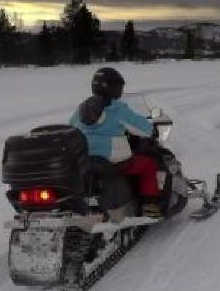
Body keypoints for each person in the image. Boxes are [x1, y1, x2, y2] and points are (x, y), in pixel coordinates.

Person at [69, 67, 163, 217]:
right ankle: (149, 205)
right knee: (148, 164)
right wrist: (153, 131)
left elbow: (71, 127)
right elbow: (138, 125)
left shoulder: (81, 108)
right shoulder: (117, 108)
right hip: (112, 159)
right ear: (114, 88)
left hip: (86, 158)